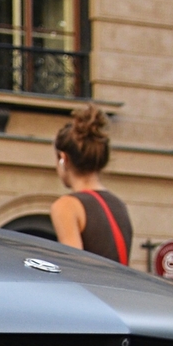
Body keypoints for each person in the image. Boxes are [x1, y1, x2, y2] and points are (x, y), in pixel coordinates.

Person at [48, 107, 132, 265]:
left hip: (89, 289)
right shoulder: (119, 205)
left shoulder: (66, 206)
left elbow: (74, 267)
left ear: (63, 158)